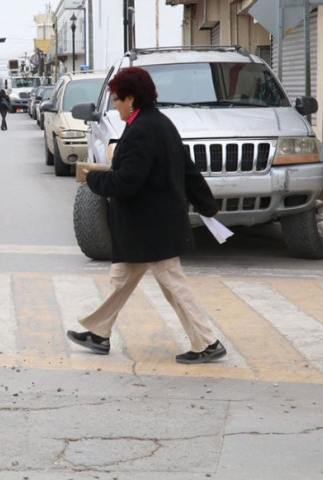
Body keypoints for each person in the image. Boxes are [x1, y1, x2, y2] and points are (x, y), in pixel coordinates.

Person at [67, 66, 226, 365]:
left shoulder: (142, 130)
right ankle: (99, 333)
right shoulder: (160, 123)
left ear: (131, 98)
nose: (115, 106)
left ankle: (208, 342)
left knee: (174, 287)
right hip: (151, 226)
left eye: (116, 100)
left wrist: (93, 180)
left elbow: (127, 181)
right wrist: (207, 204)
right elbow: (188, 169)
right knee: (122, 281)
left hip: (151, 228)